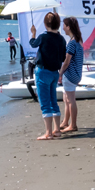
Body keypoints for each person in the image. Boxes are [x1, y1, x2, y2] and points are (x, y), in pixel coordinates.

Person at [29, 12, 66, 140]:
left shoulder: (43, 36)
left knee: (45, 103)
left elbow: (33, 43)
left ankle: (48, 133)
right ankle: (57, 130)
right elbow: (62, 57)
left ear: (45, 24)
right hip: (54, 72)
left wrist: (33, 33)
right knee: (53, 100)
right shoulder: (61, 39)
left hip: (43, 71)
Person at [58, 17, 84, 133]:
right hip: (76, 74)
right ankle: (65, 122)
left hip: (70, 75)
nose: (62, 27)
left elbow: (67, 62)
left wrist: (60, 73)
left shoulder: (72, 43)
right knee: (66, 98)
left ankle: (73, 125)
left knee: (70, 100)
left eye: (64, 25)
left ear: (68, 27)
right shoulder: (78, 41)